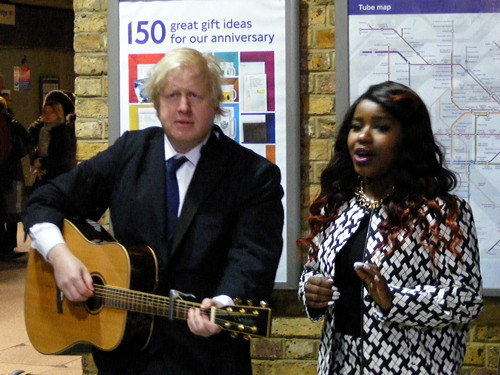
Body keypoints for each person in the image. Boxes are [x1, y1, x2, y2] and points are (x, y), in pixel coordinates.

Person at [23, 48, 284, 375]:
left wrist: (225, 302)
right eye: (172, 95)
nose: (183, 107)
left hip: (206, 358)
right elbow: (45, 200)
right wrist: (59, 255)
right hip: (125, 358)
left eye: (195, 95)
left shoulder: (253, 175)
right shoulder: (130, 152)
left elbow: (253, 255)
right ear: (158, 103)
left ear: (216, 104)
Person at [297, 81, 483, 375]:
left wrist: (394, 299)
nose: (363, 137)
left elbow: (466, 301)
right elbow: (312, 270)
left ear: (407, 139)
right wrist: (310, 291)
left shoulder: (443, 214)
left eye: (381, 128)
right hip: (339, 364)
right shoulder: (337, 205)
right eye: (357, 126)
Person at [0, 96, 32, 259]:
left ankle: (8, 244)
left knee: (11, 209)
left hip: (10, 172)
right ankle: (7, 244)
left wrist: (16, 151)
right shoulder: (13, 125)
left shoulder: (12, 126)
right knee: (11, 209)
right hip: (11, 172)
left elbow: (27, 143)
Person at [28, 89, 76, 189]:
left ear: (59, 113)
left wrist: (42, 162)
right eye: (45, 112)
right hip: (43, 175)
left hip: (57, 177)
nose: (47, 115)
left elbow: (61, 157)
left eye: (52, 112)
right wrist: (35, 160)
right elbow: (35, 149)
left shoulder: (62, 132)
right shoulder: (42, 131)